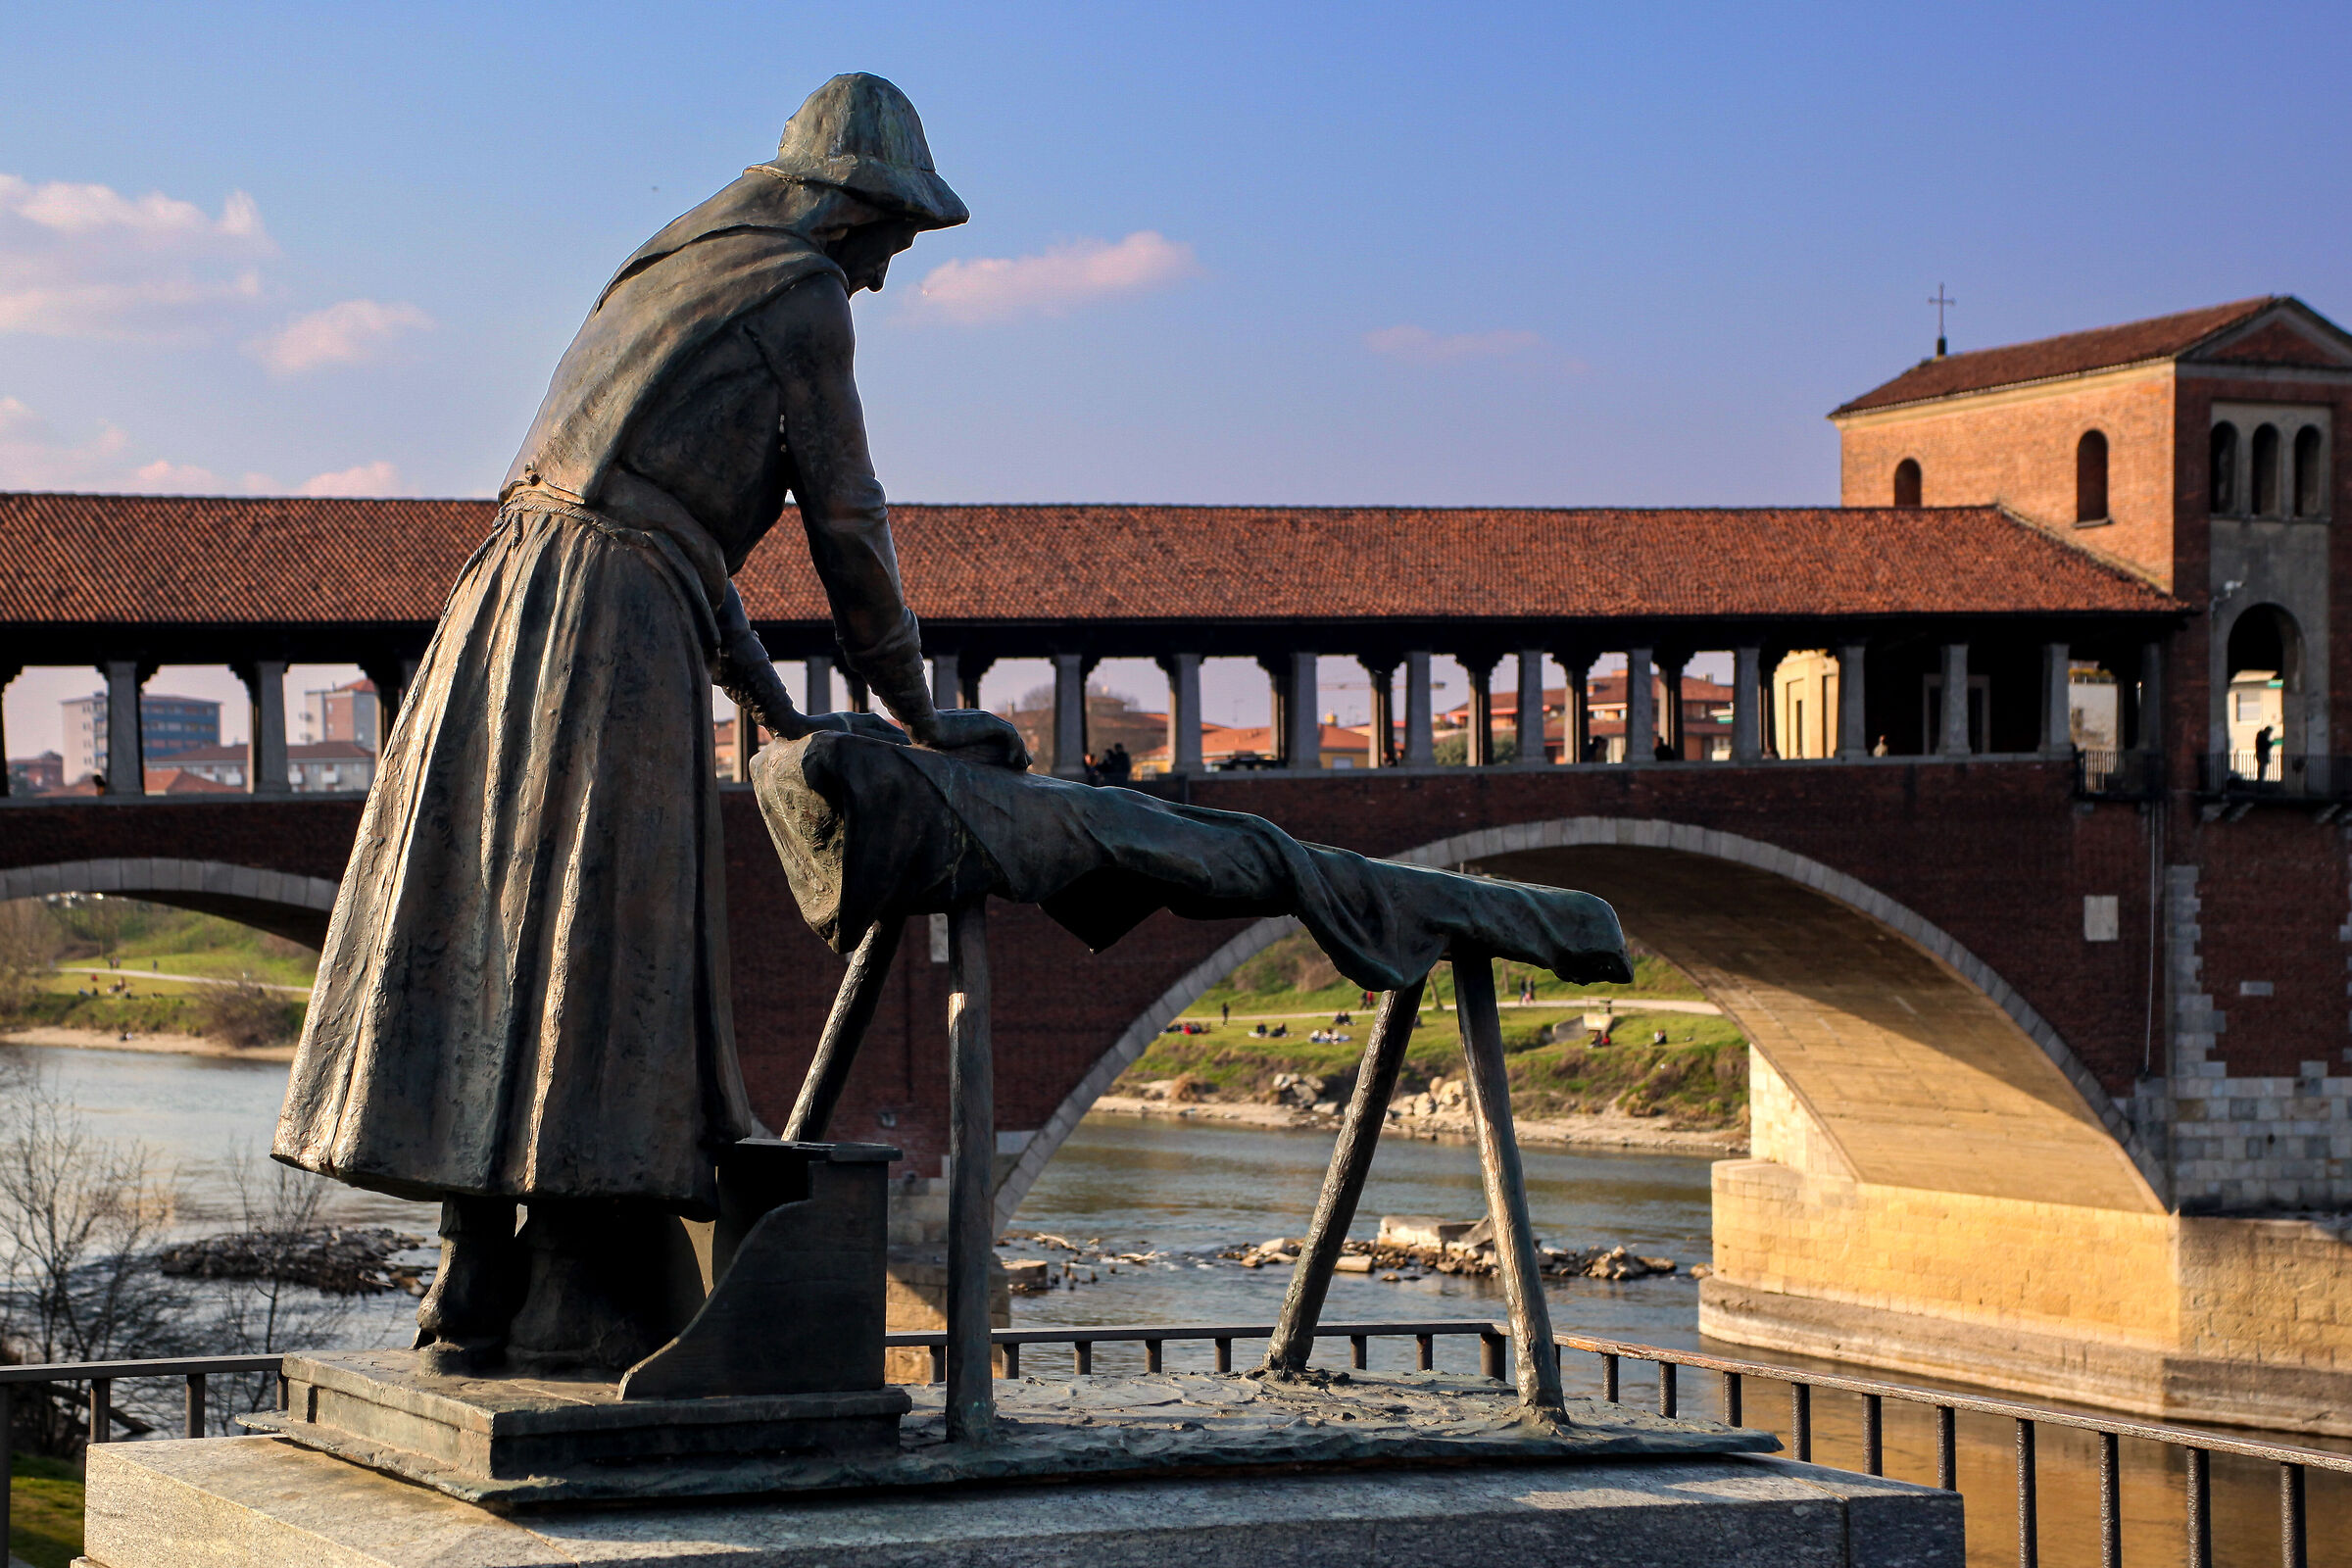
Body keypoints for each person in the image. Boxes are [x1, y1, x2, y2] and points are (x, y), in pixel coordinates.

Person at [274, 74, 1025, 1375]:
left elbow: (656, 524)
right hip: (613, 636)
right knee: (610, 937)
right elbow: (848, 528)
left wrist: (777, 712)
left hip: (498, 607)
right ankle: (581, 1293)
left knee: (492, 925)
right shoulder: (796, 297)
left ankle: (474, 1281)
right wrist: (924, 714)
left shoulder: (656, 276)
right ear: (844, 210)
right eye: (892, 242)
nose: (886, 280)